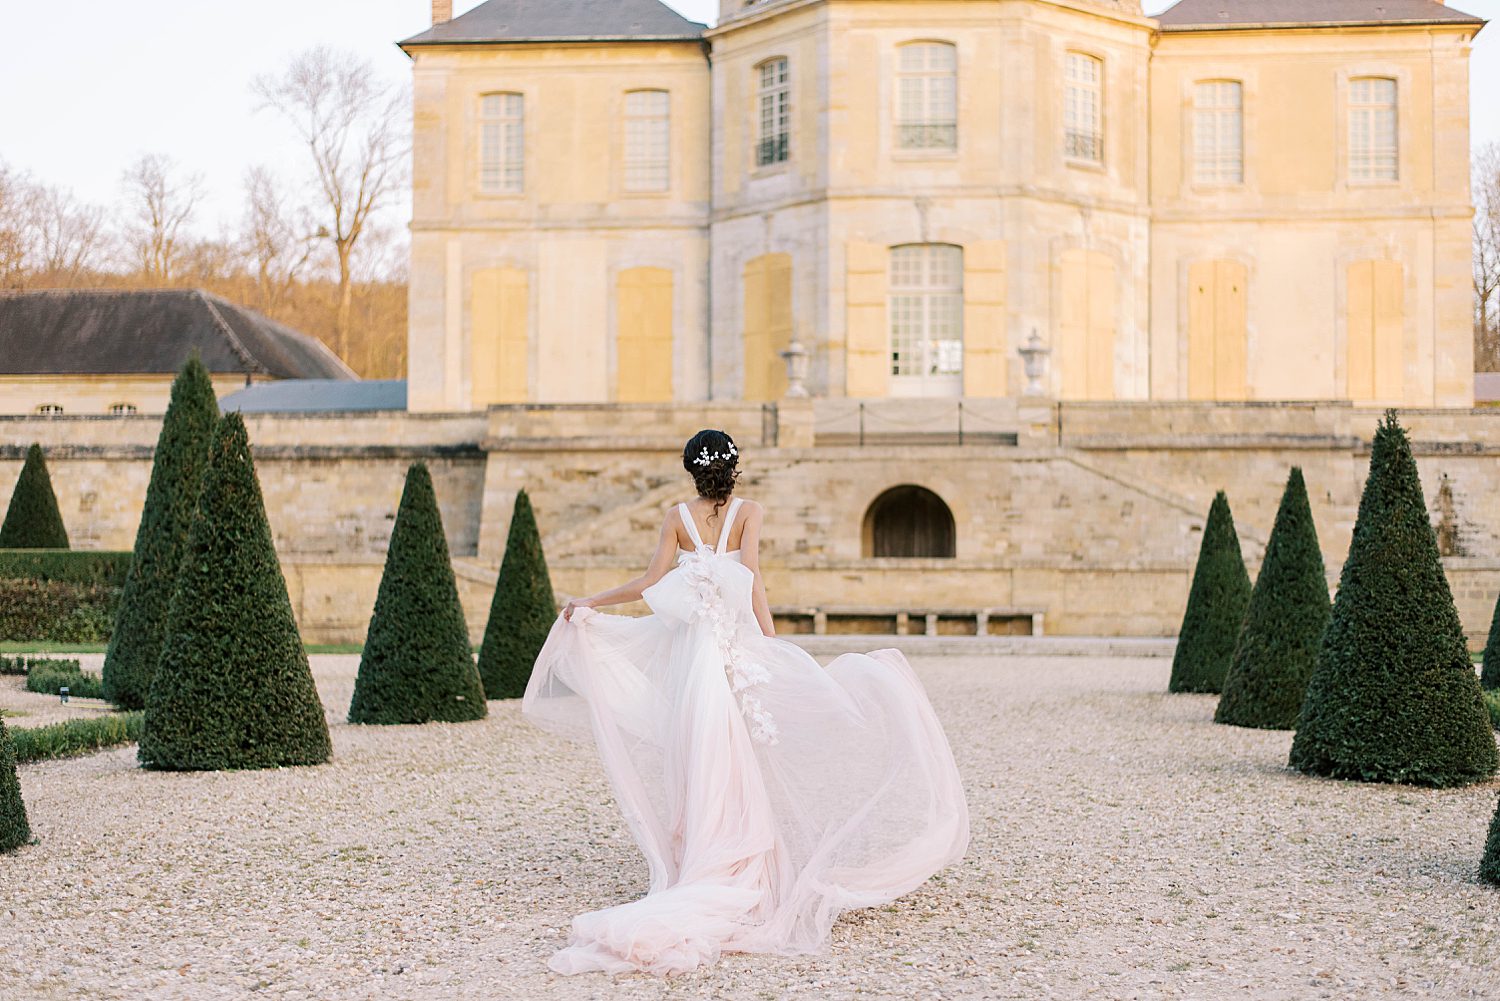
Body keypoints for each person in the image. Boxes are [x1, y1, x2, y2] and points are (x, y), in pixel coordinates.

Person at [521, 428, 970, 977]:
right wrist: (769, 638)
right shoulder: (748, 512)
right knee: (734, 749)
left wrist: (588, 602)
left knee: (701, 748)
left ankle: (702, 859)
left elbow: (647, 583)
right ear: (733, 467)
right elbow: (752, 577)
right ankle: (734, 856)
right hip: (732, 649)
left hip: (695, 658)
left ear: (691, 469)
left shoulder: (675, 518)